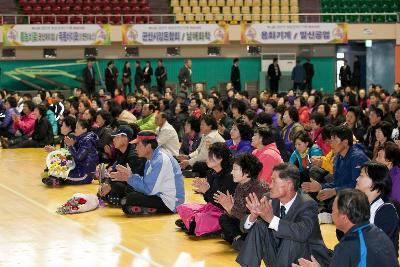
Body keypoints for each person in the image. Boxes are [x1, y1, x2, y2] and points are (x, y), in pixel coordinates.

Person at [237, 163, 331, 267]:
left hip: (306, 259)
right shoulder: (269, 198)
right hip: (278, 257)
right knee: (259, 226)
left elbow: (303, 233)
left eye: (274, 181)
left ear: (289, 184)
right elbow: (244, 228)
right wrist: (253, 216)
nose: (270, 185)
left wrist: (271, 219)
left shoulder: (307, 204)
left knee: (291, 234)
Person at [293, 189, 399, 267]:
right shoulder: (378, 233)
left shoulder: (348, 246)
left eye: (333, 210)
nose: (331, 213)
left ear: (343, 217)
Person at [110, 130, 185, 214]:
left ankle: (137, 206)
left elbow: (149, 190)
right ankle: (140, 208)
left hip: (171, 203)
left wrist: (129, 178)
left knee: (131, 197)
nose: (136, 148)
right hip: (159, 195)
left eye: (138, 145)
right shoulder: (151, 159)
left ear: (148, 146)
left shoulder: (160, 161)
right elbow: (146, 183)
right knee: (130, 193)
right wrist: (130, 176)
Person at [302, 125, 369, 211]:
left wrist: (334, 191)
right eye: (331, 139)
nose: (331, 143)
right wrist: (320, 186)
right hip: (346, 193)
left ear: (345, 142)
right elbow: (337, 183)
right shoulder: (338, 157)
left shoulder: (357, 158)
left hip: (362, 197)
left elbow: (357, 186)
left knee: (335, 206)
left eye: (335, 140)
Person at [175, 142, 236, 236]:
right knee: (185, 208)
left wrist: (206, 191)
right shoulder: (211, 173)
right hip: (212, 208)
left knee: (202, 221)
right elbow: (208, 201)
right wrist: (204, 191)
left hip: (225, 212)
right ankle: (193, 222)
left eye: (210, 156)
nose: (206, 159)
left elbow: (221, 204)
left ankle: (195, 223)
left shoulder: (229, 176)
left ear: (219, 158)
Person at [218, 153, 268, 249]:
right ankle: (238, 239)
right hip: (244, 223)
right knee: (224, 218)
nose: (232, 172)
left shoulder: (258, 189)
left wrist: (231, 209)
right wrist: (229, 210)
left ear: (247, 172)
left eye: (235, 169)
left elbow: (254, 219)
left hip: (258, 225)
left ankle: (238, 240)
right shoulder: (240, 186)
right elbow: (238, 213)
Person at [355, 161, 399, 253]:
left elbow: (378, 247)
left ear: (375, 180)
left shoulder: (386, 210)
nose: (357, 179)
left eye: (361, 176)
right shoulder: (360, 203)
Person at [97, 125, 147, 206]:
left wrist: (110, 185)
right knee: (104, 186)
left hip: (136, 187)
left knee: (116, 187)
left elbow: (132, 180)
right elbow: (113, 173)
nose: (113, 140)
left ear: (125, 139)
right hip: (125, 183)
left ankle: (120, 199)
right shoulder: (121, 152)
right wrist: (106, 183)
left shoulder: (134, 155)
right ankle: (114, 197)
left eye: (116, 137)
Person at [42, 119, 98, 186]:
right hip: (77, 168)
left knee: (59, 175)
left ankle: (57, 180)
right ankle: (55, 179)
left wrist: (71, 146)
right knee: (56, 169)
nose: (75, 129)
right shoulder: (81, 139)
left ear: (84, 130)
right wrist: (55, 151)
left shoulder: (87, 141)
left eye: (77, 127)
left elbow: (78, 157)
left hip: (84, 174)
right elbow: (69, 154)